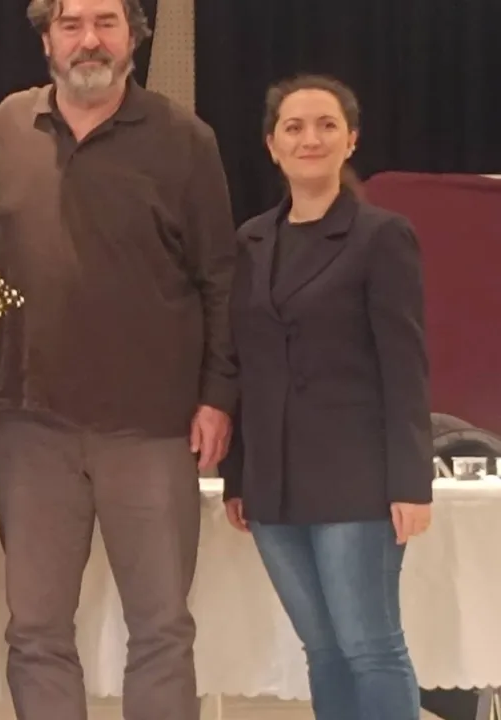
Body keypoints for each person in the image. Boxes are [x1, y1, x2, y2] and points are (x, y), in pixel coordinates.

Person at [0, 0, 239, 718]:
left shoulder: (185, 139)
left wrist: (217, 394)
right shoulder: (6, 126)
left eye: (106, 22)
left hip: (153, 426)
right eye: (71, 24)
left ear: (133, 36)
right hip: (31, 428)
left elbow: (220, 277)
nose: (88, 39)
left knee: (160, 630)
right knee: (35, 632)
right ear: (46, 39)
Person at [220, 74, 432, 720]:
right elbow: (245, 365)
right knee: (323, 650)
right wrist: (238, 476)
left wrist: (411, 481)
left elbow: (405, 366)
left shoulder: (381, 235)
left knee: (371, 647)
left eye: (326, 125)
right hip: (273, 485)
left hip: (356, 481)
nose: (309, 138)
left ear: (351, 140)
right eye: (294, 127)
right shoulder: (252, 240)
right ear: (271, 145)